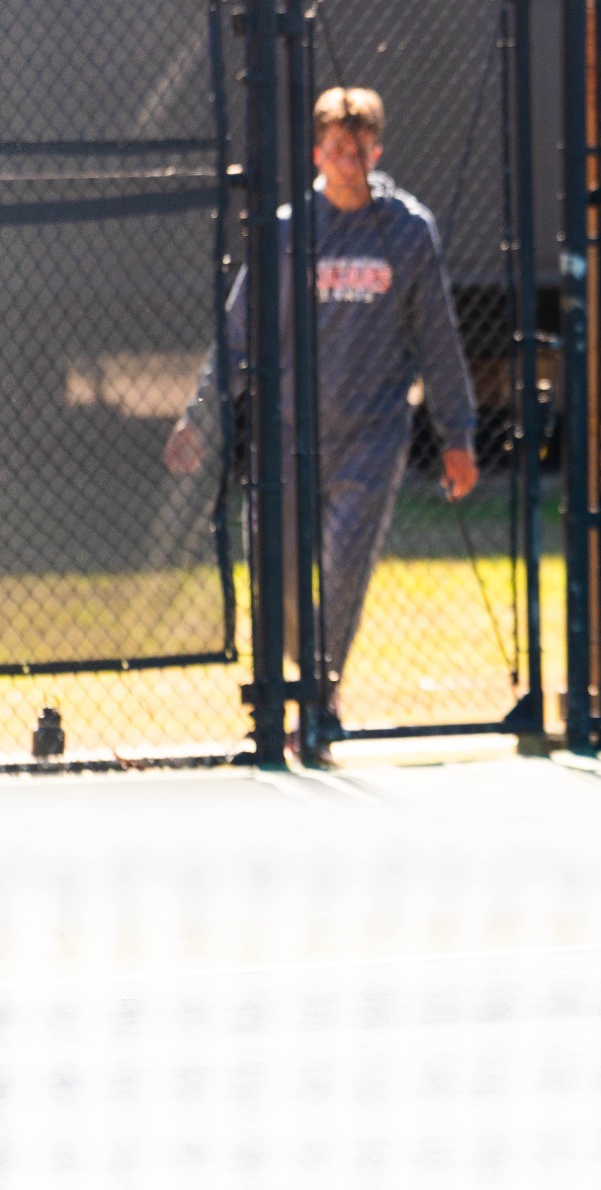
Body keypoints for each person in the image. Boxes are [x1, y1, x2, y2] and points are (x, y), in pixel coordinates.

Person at [165, 87, 478, 753]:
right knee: (270, 556)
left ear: (377, 150)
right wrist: (199, 414)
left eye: (361, 149)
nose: (350, 161)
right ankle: (298, 683)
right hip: (286, 432)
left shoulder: (408, 231)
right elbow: (238, 335)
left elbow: (439, 339)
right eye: (338, 149)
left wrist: (458, 436)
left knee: (342, 569)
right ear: (318, 153)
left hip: (373, 433)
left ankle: (321, 695)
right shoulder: (284, 233)